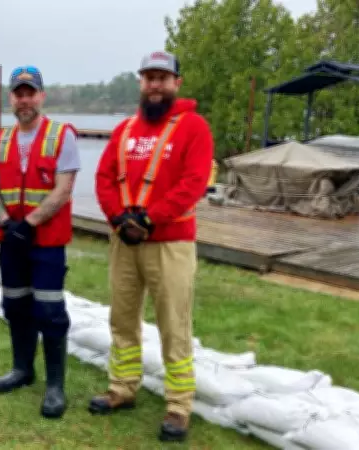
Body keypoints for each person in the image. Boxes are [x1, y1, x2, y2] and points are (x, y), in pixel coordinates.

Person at [88, 51, 214, 443]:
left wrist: (149, 218)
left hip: (170, 242)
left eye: (163, 77)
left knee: (174, 323)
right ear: (140, 83)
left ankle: (179, 404)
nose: (155, 85)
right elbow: (105, 177)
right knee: (122, 317)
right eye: (149, 78)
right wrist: (117, 219)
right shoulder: (125, 130)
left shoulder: (194, 128)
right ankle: (122, 387)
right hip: (124, 240)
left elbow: (193, 183)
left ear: (177, 82)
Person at [0, 65, 80, 419]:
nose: (24, 99)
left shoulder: (61, 135)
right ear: (11, 98)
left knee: (50, 311)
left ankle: (55, 386)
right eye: (18, 93)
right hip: (12, 240)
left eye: (30, 92)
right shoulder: (1, 139)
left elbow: (64, 188)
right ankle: (22, 369)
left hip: (47, 242)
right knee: (16, 306)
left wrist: (31, 222)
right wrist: (7, 222)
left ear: (42, 95)